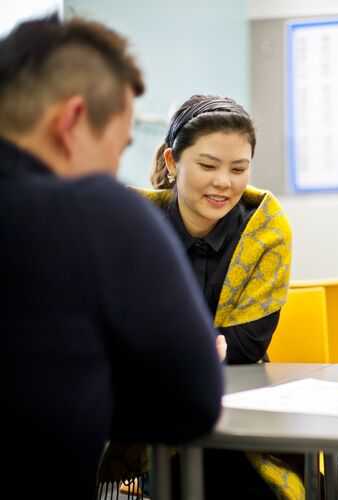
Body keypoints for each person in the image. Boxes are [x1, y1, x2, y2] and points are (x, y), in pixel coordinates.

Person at [0, 15, 223, 500]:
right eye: (117, 147)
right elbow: (193, 403)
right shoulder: (97, 214)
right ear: (71, 121)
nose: (116, 168)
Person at [135, 94, 295, 499]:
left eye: (238, 169)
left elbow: (247, 343)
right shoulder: (135, 224)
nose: (224, 182)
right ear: (172, 162)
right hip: (158, 416)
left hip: (243, 415)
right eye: (208, 166)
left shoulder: (267, 231)